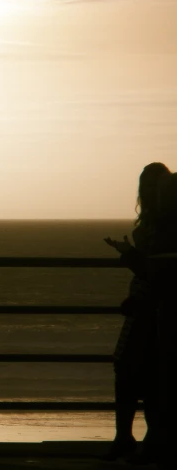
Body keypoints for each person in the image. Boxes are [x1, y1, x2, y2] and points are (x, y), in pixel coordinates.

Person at [103, 162, 169, 462]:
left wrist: (129, 254)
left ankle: (128, 438)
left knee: (132, 371)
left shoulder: (156, 227)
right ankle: (149, 441)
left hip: (149, 306)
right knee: (152, 375)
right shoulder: (161, 224)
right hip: (151, 306)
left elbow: (155, 270)